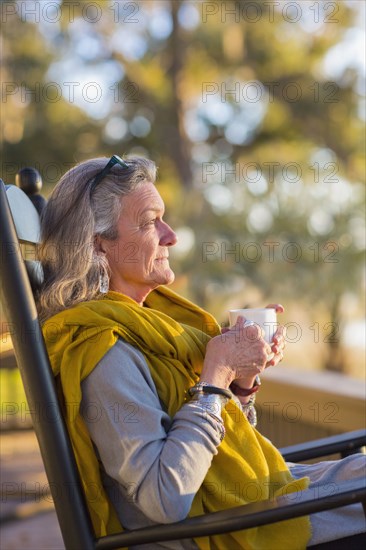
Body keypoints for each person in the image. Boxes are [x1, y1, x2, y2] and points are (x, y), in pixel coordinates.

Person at [38, 155, 365, 550]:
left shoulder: (153, 330)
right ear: (98, 244)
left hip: (240, 503)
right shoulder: (104, 352)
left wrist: (239, 384)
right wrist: (215, 379)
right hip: (213, 531)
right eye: (149, 222)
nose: (171, 235)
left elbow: (213, 457)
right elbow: (165, 497)